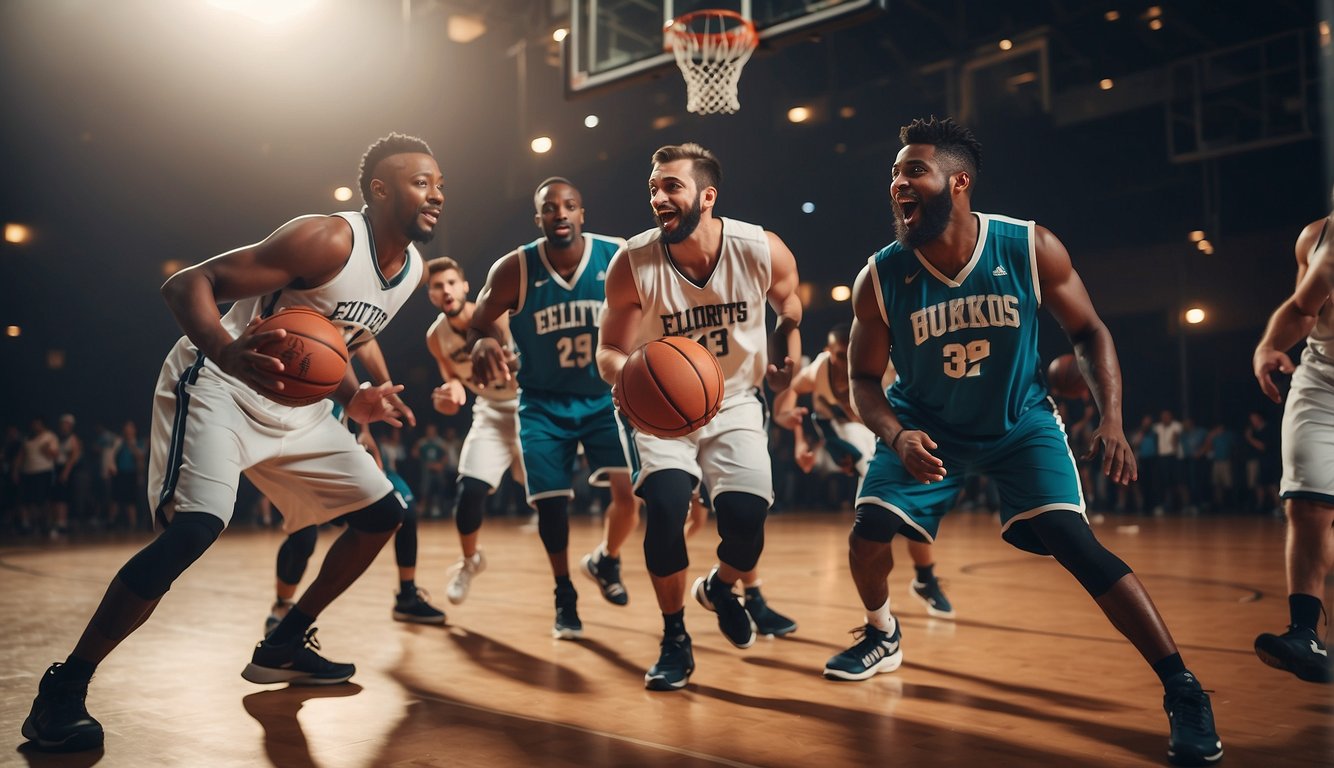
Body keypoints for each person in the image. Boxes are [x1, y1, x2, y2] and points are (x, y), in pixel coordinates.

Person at [21, 133, 436, 752]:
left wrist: (353, 398)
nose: (436, 193)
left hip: (295, 406)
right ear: (379, 189)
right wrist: (226, 352)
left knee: (383, 514)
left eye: (439, 184)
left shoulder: (413, 272)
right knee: (195, 529)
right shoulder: (326, 237)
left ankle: (285, 641)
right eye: (421, 182)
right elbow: (188, 283)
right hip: (220, 383)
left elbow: (329, 342)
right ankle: (64, 687)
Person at [830, 117, 1221, 767]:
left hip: (1019, 423)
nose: (898, 181)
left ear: (958, 183)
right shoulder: (882, 276)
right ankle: (881, 634)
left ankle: (1183, 689)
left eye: (913, 170)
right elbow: (863, 378)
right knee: (868, 533)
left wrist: (1112, 419)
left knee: (1076, 545)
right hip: (927, 427)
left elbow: (1091, 332)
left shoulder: (1027, 246)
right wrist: (896, 436)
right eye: (895, 172)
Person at [595, 144, 803, 690]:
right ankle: (674, 637)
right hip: (659, 411)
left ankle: (720, 587)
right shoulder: (633, 262)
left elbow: (789, 301)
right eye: (653, 188)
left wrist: (789, 342)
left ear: (707, 197)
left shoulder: (760, 248)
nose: (658, 197)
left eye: (671, 187)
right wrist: (626, 377)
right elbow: (608, 350)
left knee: (747, 525)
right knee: (664, 508)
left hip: (733, 399)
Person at [470, 176, 640, 639]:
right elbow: (479, 322)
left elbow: (650, 308)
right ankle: (564, 592)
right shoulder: (515, 268)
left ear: (582, 214)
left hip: (606, 398)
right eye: (549, 207)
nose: (560, 213)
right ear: (539, 217)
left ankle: (606, 559)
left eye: (569, 206)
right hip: (543, 402)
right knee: (551, 507)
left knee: (630, 497)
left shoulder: (617, 254)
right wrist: (484, 343)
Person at [773, 323, 954, 619]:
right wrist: (798, 440)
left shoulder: (884, 372)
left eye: (851, 355)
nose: (846, 363)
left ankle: (924, 577)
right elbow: (788, 400)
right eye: (840, 356)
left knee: (914, 502)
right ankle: (888, 606)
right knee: (878, 516)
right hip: (844, 434)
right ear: (827, 353)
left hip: (886, 433)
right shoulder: (817, 372)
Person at [265, 340, 444, 632]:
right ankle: (282, 605)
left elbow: (365, 346)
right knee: (303, 537)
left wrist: (364, 430)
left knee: (403, 508)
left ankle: (407, 596)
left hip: (342, 442)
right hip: (299, 448)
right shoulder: (304, 340)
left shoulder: (343, 342)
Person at [1250, 204, 1334, 684]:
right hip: (1321, 380)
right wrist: (1267, 346)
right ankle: (1304, 633)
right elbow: (1304, 308)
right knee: (1307, 507)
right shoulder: (1318, 238)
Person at [422, 256, 525, 609]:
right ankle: (470, 561)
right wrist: (448, 396)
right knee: (469, 492)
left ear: (465, 286)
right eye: (437, 286)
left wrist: (516, 363)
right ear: (431, 295)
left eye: (451, 282)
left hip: (529, 406)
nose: (445, 290)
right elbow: (451, 379)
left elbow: (531, 354)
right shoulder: (436, 337)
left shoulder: (496, 313)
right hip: (491, 412)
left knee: (548, 496)